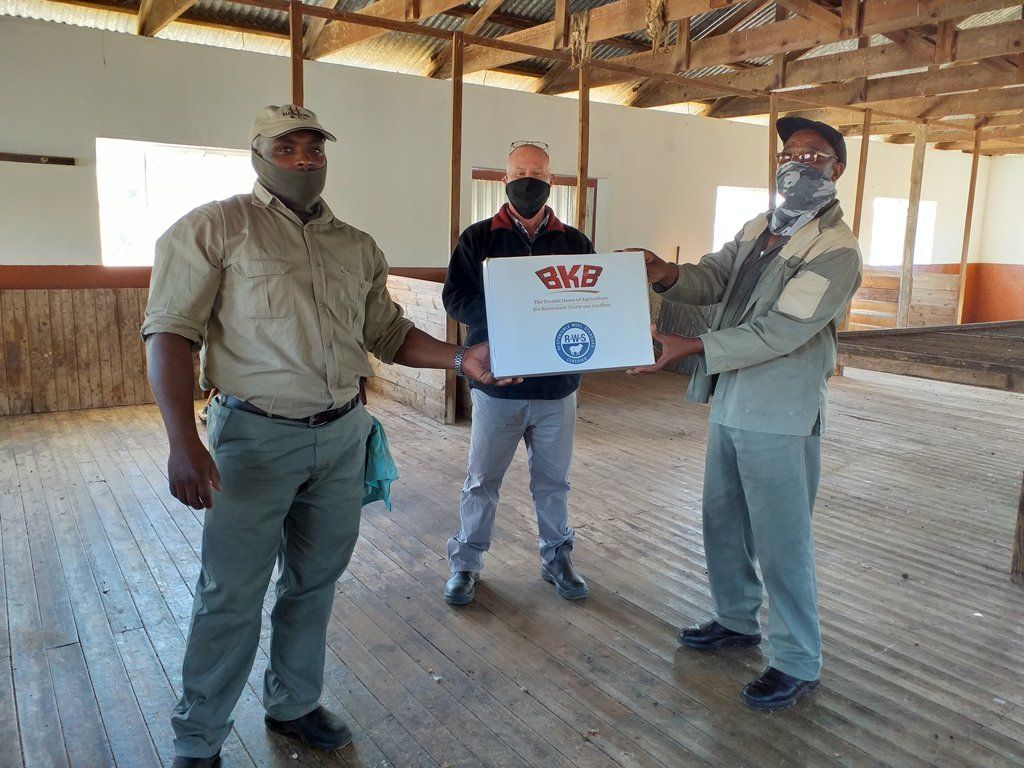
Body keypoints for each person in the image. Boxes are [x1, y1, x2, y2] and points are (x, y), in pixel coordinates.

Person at [142, 104, 515, 768]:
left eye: (314, 148)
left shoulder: (356, 246)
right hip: (253, 440)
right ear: (258, 153)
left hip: (343, 436)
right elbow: (169, 333)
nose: (304, 159)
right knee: (231, 592)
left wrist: (462, 359)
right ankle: (198, 737)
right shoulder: (214, 228)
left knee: (314, 581)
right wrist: (182, 442)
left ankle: (293, 703)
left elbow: (388, 333)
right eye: (287, 147)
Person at [627, 117, 863, 710]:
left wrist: (693, 347)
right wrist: (667, 273)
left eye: (813, 155)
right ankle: (735, 620)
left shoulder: (836, 250)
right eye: (789, 154)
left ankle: (797, 660)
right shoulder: (761, 227)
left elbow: (783, 330)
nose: (797, 163)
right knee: (723, 520)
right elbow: (713, 277)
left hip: (781, 408)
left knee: (781, 537)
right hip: (732, 396)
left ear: (836, 170)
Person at [441, 141, 595, 606]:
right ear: (505, 179)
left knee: (553, 481)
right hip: (497, 385)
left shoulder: (574, 242)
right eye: (520, 172)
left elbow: (591, 301)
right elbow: (455, 298)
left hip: (557, 388)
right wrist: (512, 311)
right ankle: (465, 563)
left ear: (552, 180)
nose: (529, 181)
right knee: (482, 480)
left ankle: (557, 558)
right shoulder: (478, 238)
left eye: (538, 173)